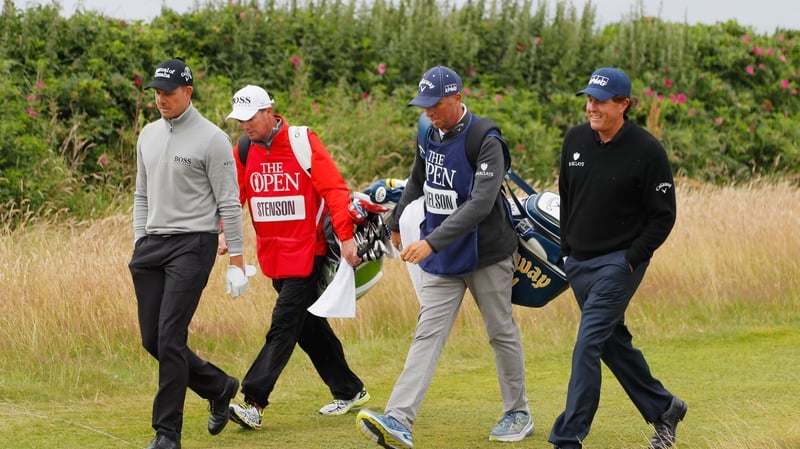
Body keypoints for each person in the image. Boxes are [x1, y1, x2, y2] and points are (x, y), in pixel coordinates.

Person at [356, 66, 533, 448]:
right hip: (443, 255)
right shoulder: (428, 132)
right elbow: (418, 180)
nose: (429, 112)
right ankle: (399, 419)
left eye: (435, 105)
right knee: (427, 334)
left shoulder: (486, 138)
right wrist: (396, 222)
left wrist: (431, 242)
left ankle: (518, 412)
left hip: (487, 253)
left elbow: (481, 204)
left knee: (500, 331)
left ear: (456, 97)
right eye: (424, 106)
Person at [549, 66, 687, 449]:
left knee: (588, 343)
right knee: (611, 343)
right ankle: (665, 408)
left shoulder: (647, 151)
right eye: (589, 99)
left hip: (618, 264)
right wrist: (565, 252)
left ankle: (567, 438)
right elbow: (567, 200)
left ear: (624, 104)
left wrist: (632, 258)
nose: (591, 107)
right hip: (578, 263)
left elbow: (664, 215)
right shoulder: (575, 141)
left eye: (600, 100)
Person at [222, 84, 370, 431]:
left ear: (268, 112)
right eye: (239, 120)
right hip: (273, 254)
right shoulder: (243, 149)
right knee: (307, 325)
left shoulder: (303, 142)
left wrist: (347, 239)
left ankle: (254, 401)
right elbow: (235, 195)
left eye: (249, 118)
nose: (244, 125)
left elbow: (334, 190)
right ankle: (350, 389)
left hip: (308, 251)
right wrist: (222, 231)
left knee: (284, 324)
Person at [128, 58, 249, 449]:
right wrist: (138, 240)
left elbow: (229, 203)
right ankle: (219, 386)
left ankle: (167, 434)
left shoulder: (212, 139)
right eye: (157, 93)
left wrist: (237, 261)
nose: (161, 99)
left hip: (193, 244)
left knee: (170, 336)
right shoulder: (147, 135)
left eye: (169, 92)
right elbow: (141, 194)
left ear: (188, 92)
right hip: (152, 245)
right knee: (154, 340)